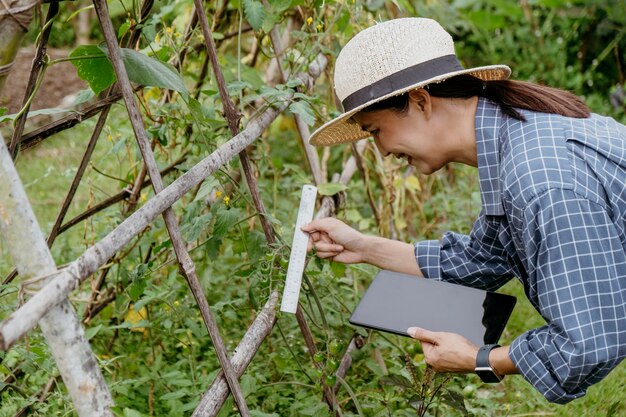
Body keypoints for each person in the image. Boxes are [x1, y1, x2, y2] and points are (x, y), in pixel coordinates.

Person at [302, 17, 626, 404]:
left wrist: (480, 359)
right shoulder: (520, 136)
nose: (383, 151)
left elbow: (590, 341)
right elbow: (480, 260)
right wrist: (362, 248)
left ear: (420, 101)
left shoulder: (539, 177)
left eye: (374, 131)